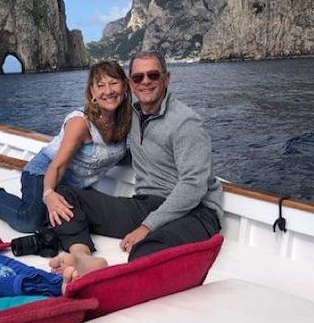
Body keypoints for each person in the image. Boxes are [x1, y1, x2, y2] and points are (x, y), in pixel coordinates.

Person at [48, 50, 223, 281]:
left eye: (153, 75)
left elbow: (193, 186)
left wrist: (147, 227)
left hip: (196, 211)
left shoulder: (186, 123)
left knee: (146, 250)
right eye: (138, 77)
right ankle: (83, 256)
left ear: (166, 79)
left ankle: (122, 287)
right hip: (148, 203)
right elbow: (128, 146)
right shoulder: (133, 115)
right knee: (64, 196)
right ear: (131, 84)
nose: (146, 82)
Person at [0, 60, 132, 233]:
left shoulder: (128, 119)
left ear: (124, 86)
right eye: (100, 85)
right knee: (30, 221)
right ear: (92, 92)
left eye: (114, 83)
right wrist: (48, 194)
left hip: (76, 186)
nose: (108, 91)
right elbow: (58, 166)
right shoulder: (80, 123)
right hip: (44, 172)